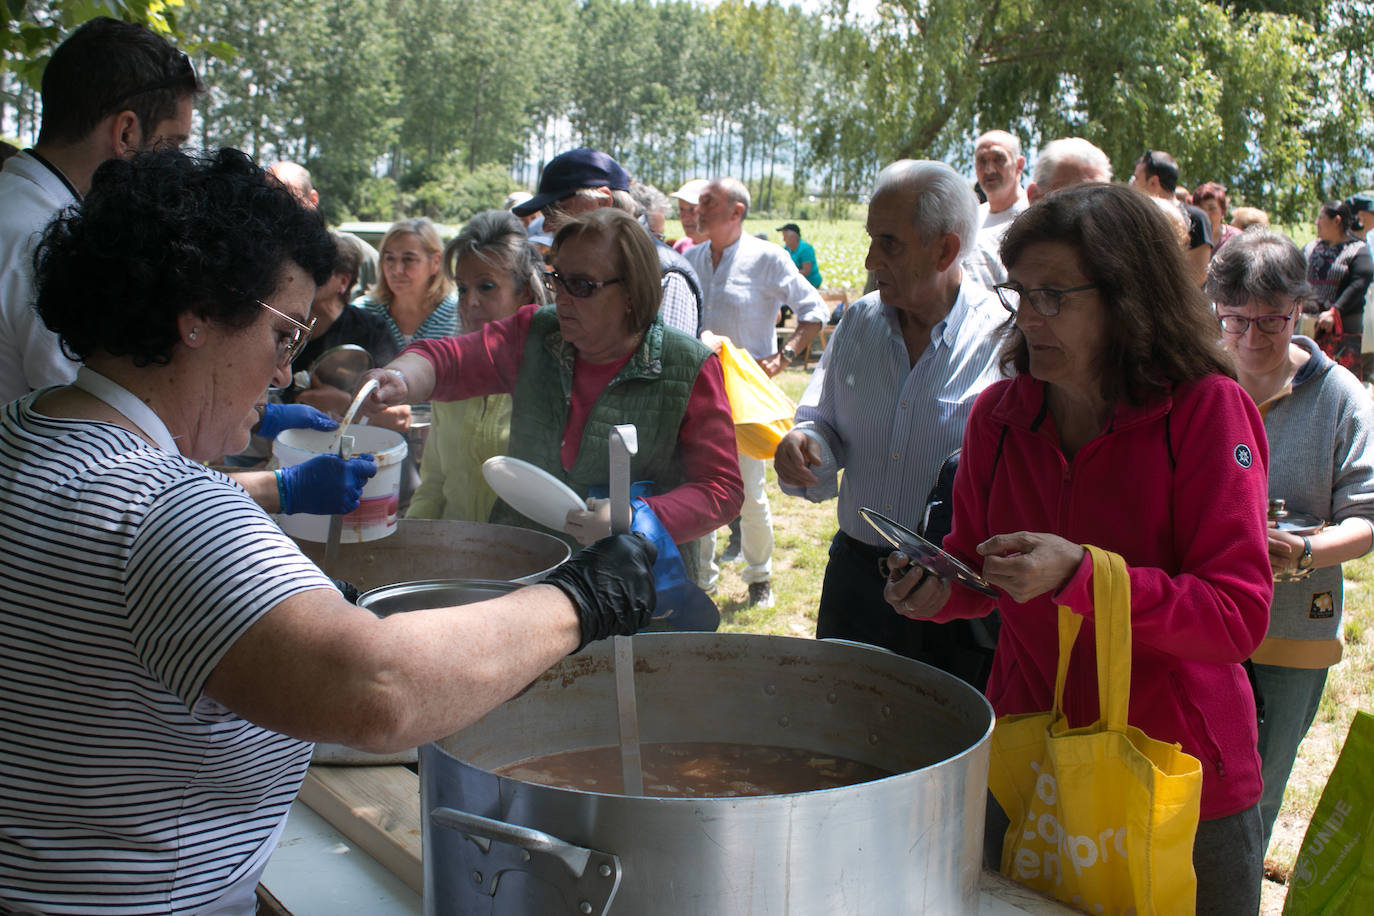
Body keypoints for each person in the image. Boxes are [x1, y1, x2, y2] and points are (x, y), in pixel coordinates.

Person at [0, 147, 657, 914]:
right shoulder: (167, 511)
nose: (283, 374)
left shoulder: (27, 429)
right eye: (282, 337)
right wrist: (581, 598)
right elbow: (379, 690)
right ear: (198, 319)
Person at [883, 183, 1272, 912]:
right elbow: (980, 566)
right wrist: (942, 589)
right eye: (1019, 294)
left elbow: (1237, 615)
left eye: (1055, 296)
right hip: (1033, 753)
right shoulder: (1000, 415)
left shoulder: (1205, 412)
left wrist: (1083, 576)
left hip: (1179, 774)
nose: (1030, 319)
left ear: (1131, 298)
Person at [364, 207, 742, 584]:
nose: (560, 297)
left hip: (635, 584)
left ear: (631, 291)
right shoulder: (536, 333)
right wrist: (398, 377)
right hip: (527, 569)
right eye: (557, 279)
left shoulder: (688, 365)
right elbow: (449, 360)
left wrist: (632, 517)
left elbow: (721, 490)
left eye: (581, 286)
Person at [774, 160, 1005, 685]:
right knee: (841, 742)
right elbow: (823, 424)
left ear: (946, 249)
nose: (870, 259)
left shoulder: (1003, 341)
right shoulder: (858, 321)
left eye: (890, 243)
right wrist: (803, 443)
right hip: (857, 578)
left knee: (939, 750)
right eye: (871, 239)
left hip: (950, 593)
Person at [1207, 228, 1374, 856]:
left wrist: (1303, 551)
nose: (1250, 340)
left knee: (1258, 793)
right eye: (1234, 322)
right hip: (1201, 621)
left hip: (1292, 628)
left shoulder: (1340, 397)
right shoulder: (1199, 386)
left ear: (1298, 309)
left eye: (1269, 323)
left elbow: (1365, 518)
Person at [0, 17, 202, 403]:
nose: (176, 167)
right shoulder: (46, 240)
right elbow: (96, 418)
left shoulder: (13, 201)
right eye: (173, 145)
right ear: (126, 133)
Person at [688, 177, 829, 607]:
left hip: (745, 398)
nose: (698, 207)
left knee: (749, 490)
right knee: (697, 487)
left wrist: (783, 356)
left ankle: (759, 579)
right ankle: (701, 582)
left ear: (737, 212)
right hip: (697, 392)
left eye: (708, 202)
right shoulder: (691, 258)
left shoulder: (767, 258)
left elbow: (814, 311)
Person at [407, 210, 550, 521]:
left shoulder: (555, 374)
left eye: (486, 286)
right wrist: (407, 548)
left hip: (532, 560)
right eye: (462, 288)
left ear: (524, 290)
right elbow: (433, 486)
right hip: (451, 559)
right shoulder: (449, 372)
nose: (469, 301)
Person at [512, 148, 700, 337]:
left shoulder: (666, 275)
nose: (545, 226)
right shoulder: (577, 266)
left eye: (554, 211)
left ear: (603, 202)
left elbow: (671, 362)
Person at [284, 231, 403, 423]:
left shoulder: (371, 330)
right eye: (301, 268)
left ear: (344, 281)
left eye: (319, 271)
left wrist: (347, 405)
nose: (304, 277)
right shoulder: (283, 328)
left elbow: (400, 416)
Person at [269, 160, 380, 296]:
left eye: (289, 197)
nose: (279, 206)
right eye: (270, 197)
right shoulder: (254, 255)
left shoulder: (357, 253)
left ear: (313, 199)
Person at [356, 217, 459, 351]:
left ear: (435, 262)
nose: (397, 270)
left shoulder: (458, 317)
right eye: (389, 259)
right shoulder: (362, 313)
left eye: (409, 259)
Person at [1305, 200, 1372, 380]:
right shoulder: (1311, 247)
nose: (1317, 222)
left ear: (1337, 221)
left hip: (1342, 325)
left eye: (1321, 217)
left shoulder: (1358, 250)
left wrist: (1334, 312)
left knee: (1340, 379)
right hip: (1309, 324)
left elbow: (1358, 284)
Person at [1131, 149, 1213, 285]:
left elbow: (1197, 277)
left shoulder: (1196, 218)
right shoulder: (1136, 218)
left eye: (1137, 178)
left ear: (1153, 182)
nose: (1133, 184)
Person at [962, 130, 1029, 285]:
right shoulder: (970, 218)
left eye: (999, 159)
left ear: (1019, 165)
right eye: (982, 160)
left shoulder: (1032, 215)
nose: (989, 169)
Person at [1193, 181, 1241, 253]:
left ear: (1223, 211)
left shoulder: (1236, 239)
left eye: (1212, 209)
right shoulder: (1188, 238)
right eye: (1201, 209)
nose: (1206, 215)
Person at [778, 222, 823, 288]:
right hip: (794, 283)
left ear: (793, 237)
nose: (783, 240)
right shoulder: (785, 249)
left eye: (785, 237)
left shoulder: (805, 249)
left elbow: (806, 271)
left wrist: (787, 274)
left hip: (810, 283)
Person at [670, 178, 709, 253]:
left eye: (692, 210)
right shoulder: (680, 247)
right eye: (681, 210)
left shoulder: (724, 252)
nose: (685, 218)